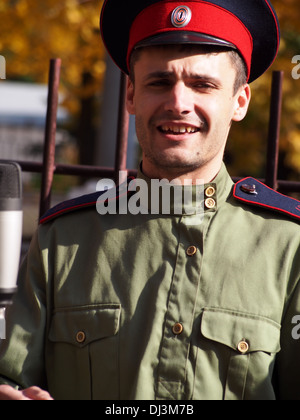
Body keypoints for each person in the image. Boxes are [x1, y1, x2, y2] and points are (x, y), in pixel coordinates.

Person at [0, 0, 300, 400]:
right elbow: (12, 379)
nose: (178, 102)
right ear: (131, 94)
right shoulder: (63, 240)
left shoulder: (289, 244)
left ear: (240, 102)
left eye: (202, 84)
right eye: (159, 82)